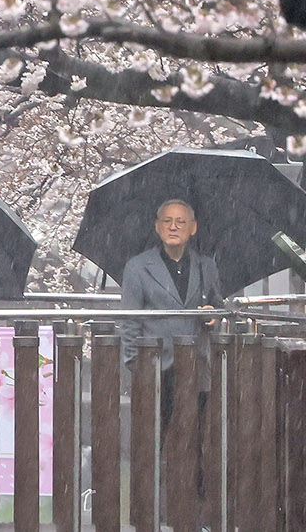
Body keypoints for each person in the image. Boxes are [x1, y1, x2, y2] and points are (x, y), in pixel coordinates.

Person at [118, 198, 222, 498]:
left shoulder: (205, 266)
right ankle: (148, 509)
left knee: (196, 442)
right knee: (151, 443)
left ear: (193, 228)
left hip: (196, 367)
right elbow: (130, 321)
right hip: (155, 370)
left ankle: (193, 510)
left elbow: (218, 304)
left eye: (180, 221)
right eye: (167, 221)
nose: (173, 227)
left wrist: (213, 314)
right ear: (157, 226)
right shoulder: (138, 267)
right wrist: (133, 365)